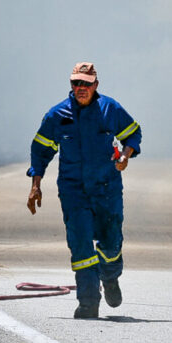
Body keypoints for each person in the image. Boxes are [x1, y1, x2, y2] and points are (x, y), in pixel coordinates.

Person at [26, 62, 142, 319]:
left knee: (111, 244)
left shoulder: (110, 109)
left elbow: (133, 134)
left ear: (95, 85)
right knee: (81, 247)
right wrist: (35, 186)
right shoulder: (57, 116)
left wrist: (125, 155)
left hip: (107, 190)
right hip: (74, 192)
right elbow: (40, 151)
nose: (80, 88)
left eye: (86, 84)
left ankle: (110, 278)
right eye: (76, 83)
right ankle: (88, 302)